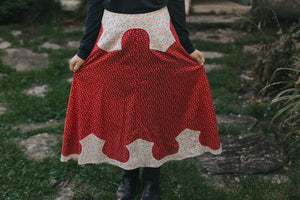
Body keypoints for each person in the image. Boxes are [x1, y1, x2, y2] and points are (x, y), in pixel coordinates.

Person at [61, 0, 222, 200]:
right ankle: (129, 176)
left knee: (154, 106)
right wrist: (84, 50)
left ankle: (151, 179)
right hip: (114, 32)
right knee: (122, 109)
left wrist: (186, 46)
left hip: (157, 30)